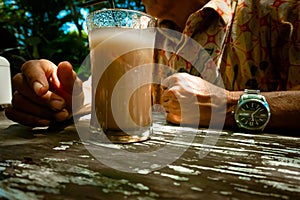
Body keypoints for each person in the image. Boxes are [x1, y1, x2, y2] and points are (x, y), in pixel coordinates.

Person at [5, 0, 300, 131]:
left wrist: (230, 103)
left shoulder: (277, 11)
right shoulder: (145, 36)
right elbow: (98, 90)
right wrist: (63, 95)